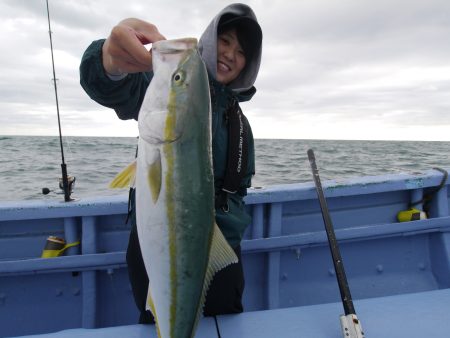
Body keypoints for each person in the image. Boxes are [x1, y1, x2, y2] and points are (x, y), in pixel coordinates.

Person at [79, 3, 262, 323]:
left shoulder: (240, 124)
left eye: (241, 50)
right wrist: (109, 60)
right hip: (156, 241)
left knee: (228, 322)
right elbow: (110, 85)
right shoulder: (167, 89)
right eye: (225, 40)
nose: (231, 53)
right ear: (209, 39)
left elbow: (239, 193)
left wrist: (220, 240)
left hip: (222, 250)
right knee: (158, 320)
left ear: (249, 63)